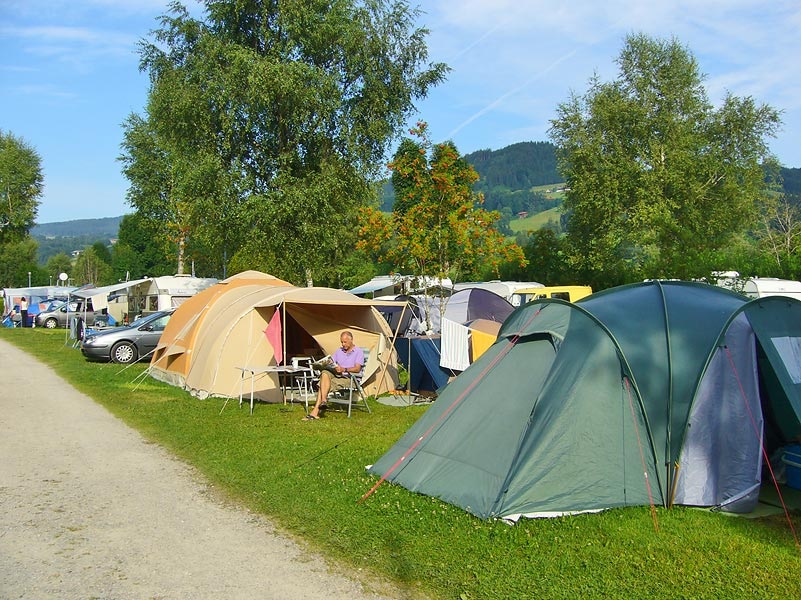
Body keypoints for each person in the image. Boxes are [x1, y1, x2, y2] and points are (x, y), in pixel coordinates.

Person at [304, 331, 364, 420]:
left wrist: (344, 369)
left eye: (345, 342)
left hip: (350, 378)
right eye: (342, 342)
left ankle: (315, 412)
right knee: (325, 372)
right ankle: (324, 400)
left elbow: (357, 369)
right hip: (337, 375)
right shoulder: (339, 351)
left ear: (351, 340)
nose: (343, 344)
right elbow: (331, 362)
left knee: (322, 385)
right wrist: (322, 365)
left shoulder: (358, 352)